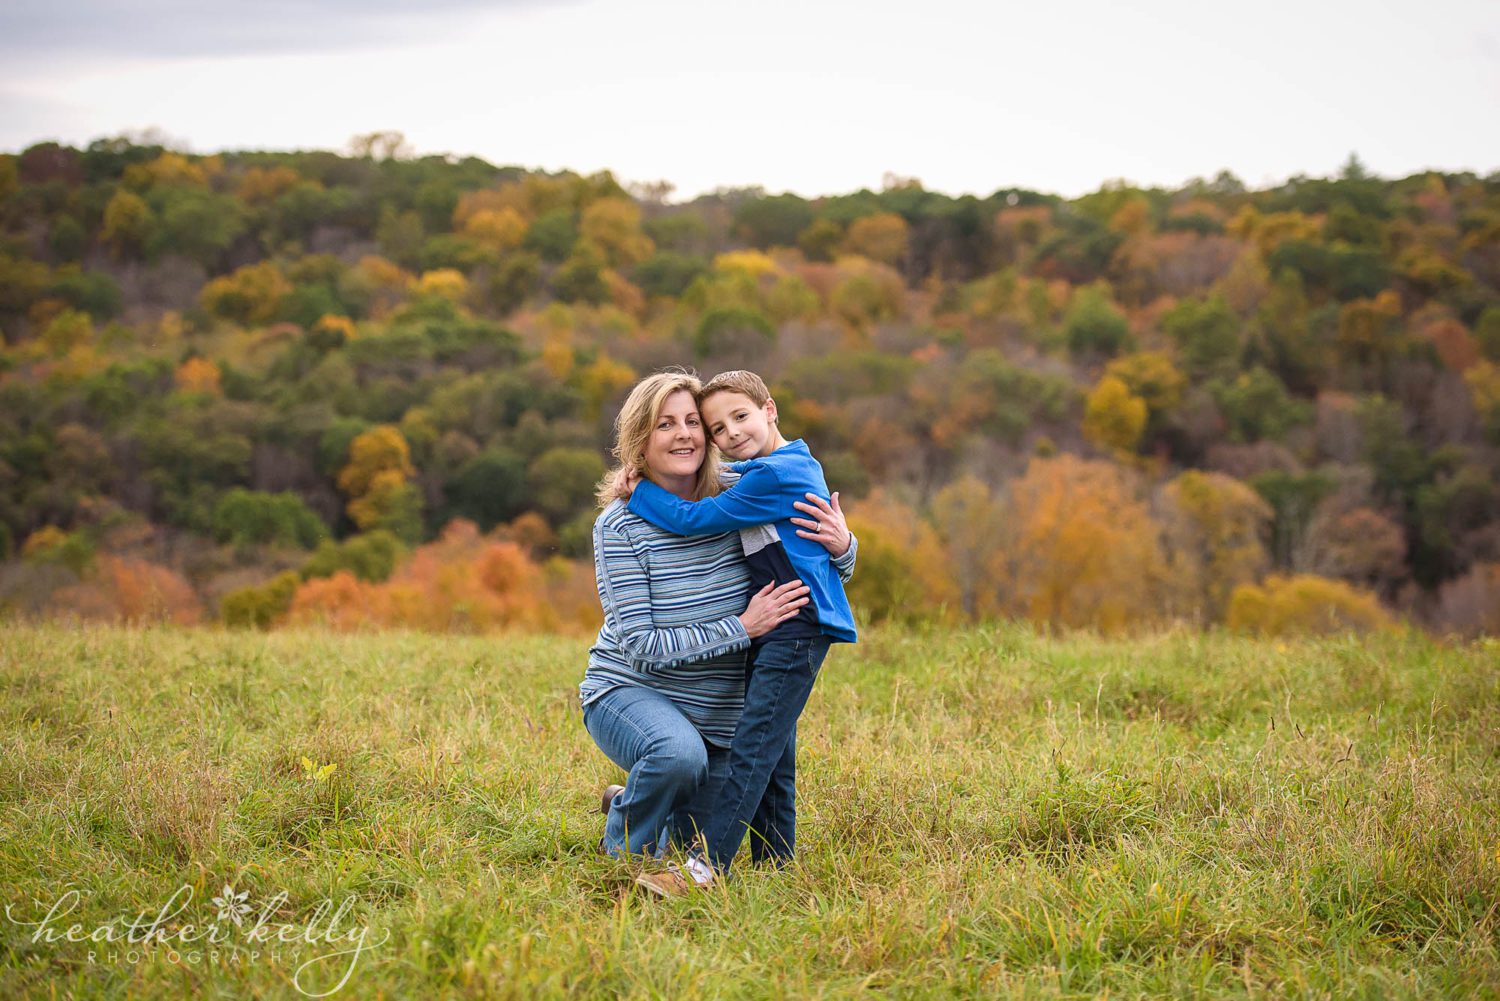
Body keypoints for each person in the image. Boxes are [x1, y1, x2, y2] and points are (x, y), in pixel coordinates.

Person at [582, 370, 855, 859]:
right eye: (665, 424)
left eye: (693, 422)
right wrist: (744, 627)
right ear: (640, 442)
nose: (684, 434)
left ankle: (639, 796)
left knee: (698, 836)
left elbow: (808, 567)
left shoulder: (741, 492)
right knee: (676, 757)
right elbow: (641, 648)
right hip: (633, 690)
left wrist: (846, 545)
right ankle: (624, 846)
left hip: (719, 709)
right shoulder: (619, 525)